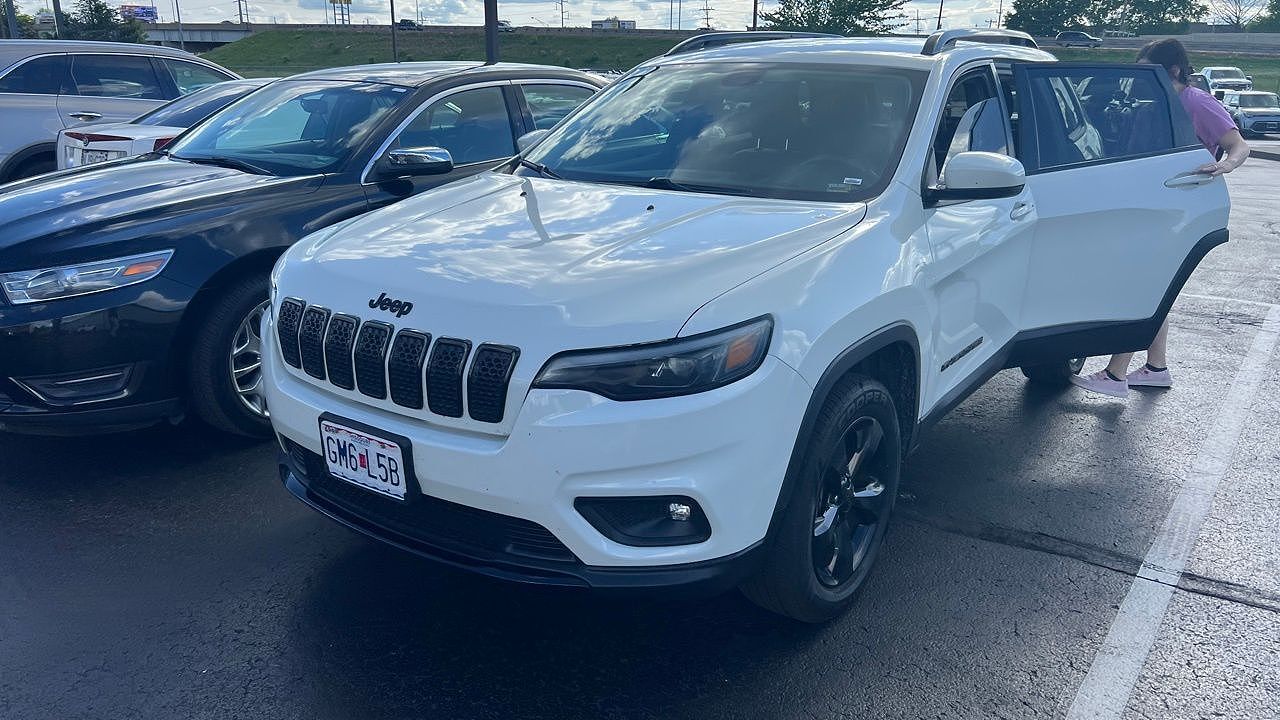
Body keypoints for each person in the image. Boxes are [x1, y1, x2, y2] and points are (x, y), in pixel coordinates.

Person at [1071, 38, 1250, 398]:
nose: (1138, 80)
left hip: (1175, 206)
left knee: (1140, 285)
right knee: (1156, 288)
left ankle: (1116, 373)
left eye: (1145, 72)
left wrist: (1225, 165)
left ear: (1173, 71)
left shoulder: (1197, 101)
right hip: (1150, 202)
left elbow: (1238, 144)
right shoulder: (1154, 103)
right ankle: (1156, 368)